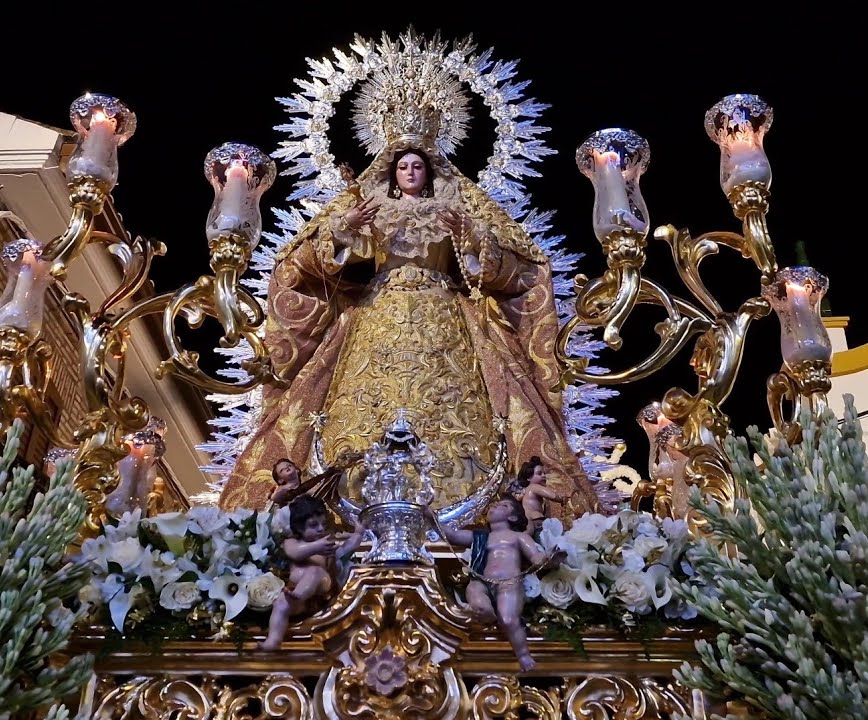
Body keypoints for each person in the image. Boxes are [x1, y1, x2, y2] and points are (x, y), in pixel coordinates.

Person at [218, 95, 598, 519]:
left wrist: (471, 238)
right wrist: (345, 230)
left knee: (461, 408)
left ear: (430, 169)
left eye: (418, 165)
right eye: (403, 166)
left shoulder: (457, 208)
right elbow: (305, 263)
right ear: (392, 172)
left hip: (446, 316)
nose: (411, 172)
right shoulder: (368, 206)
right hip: (376, 314)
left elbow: (508, 269)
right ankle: (345, 500)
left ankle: (467, 503)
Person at [428, 498, 560, 671]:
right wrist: (429, 515)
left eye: (503, 506)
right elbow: (451, 535)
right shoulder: (480, 536)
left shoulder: (519, 537)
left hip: (509, 583)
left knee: (508, 619)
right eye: (493, 504)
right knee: (476, 594)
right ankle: (487, 614)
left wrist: (549, 558)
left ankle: (522, 654)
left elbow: (536, 557)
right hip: (482, 580)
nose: (495, 506)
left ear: (512, 518)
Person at [259, 495, 365, 651]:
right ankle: (274, 639)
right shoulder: (292, 542)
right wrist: (316, 547)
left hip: (319, 593)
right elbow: (295, 553)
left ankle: (298, 596)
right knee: (280, 603)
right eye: (314, 525)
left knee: (314, 571)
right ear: (299, 527)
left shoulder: (326, 548)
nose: (321, 529)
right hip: (294, 594)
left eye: (323, 524)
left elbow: (346, 548)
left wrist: (359, 534)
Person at [509, 456, 572, 534]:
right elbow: (553, 496)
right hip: (536, 519)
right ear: (529, 477)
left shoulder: (527, 491)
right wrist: (564, 497)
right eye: (539, 473)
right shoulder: (534, 486)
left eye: (544, 473)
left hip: (528, 520)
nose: (543, 475)